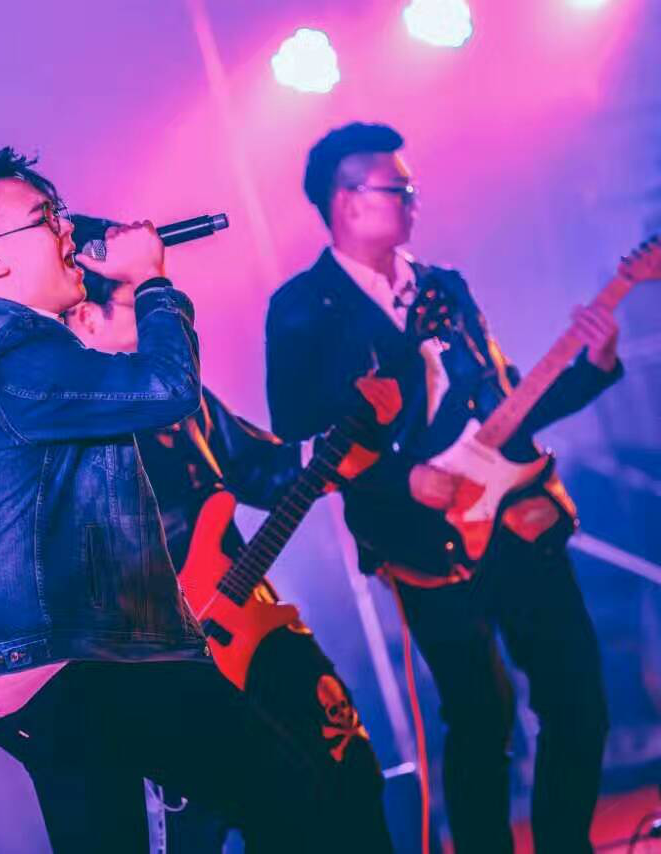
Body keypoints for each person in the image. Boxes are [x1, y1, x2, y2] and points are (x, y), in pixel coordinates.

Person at [0, 148, 347, 853]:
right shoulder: (12, 357)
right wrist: (149, 280)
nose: (67, 229)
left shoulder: (1, 359)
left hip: (51, 674)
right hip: (86, 662)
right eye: (45, 217)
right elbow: (167, 388)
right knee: (299, 803)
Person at [264, 122, 622, 853]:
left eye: (411, 185)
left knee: (578, 697)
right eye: (395, 187)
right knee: (482, 717)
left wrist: (592, 369)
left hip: (515, 515)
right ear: (345, 200)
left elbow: (504, 402)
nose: (411, 198)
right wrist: (402, 478)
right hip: (422, 543)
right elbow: (298, 438)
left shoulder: (443, 287)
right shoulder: (302, 309)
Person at [64, 221, 393, 853]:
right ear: (87, 320)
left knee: (349, 769)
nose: (161, 314)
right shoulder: (71, 429)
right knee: (249, 815)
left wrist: (354, 435)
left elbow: (263, 470)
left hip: (255, 619)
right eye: (138, 300)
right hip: (171, 660)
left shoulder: (183, 398)